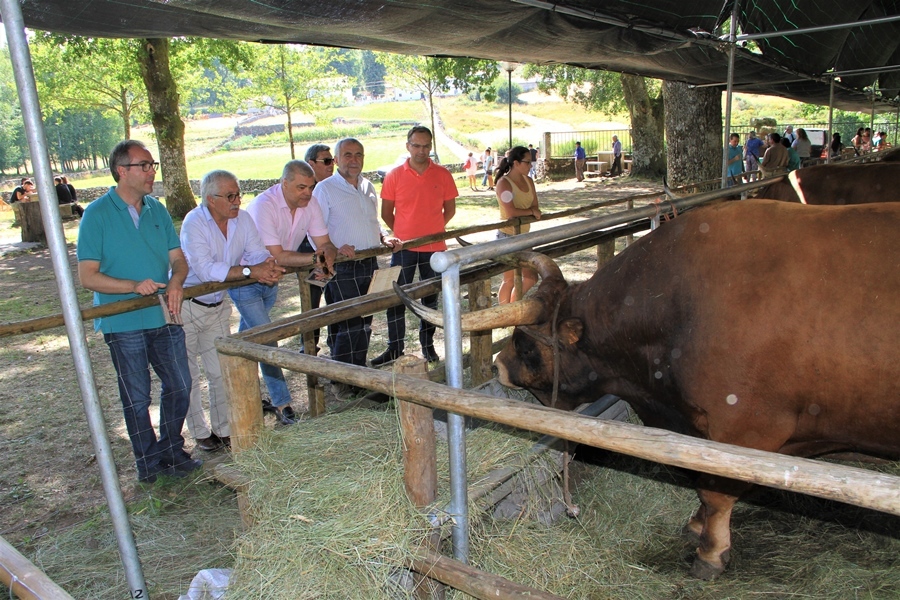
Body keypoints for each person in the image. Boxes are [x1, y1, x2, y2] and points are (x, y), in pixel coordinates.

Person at [76, 139, 198, 484]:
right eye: (143, 166)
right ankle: (147, 461)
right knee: (137, 395)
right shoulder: (97, 215)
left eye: (152, 165)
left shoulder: (157, 210)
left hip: (165, 314)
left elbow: (178, 259)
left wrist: (176, 282)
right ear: (121, 171)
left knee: (181, 383)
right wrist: (132, 286)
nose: (150, 173)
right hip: (123, 320)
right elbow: (88, 277)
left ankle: (173, 449)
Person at [180, 170, 289, 450]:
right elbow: (205, 271)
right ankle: (201, 433)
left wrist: (268, 265)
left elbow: (254, 252)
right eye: (229, 196)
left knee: (219, 371)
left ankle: (224, 429)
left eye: (238, 194)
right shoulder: (194, 223)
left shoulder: (242, 219)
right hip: (187, 306)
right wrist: (254, 270)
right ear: (209, 199)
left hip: (218, 305)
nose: (236, 201)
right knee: (189, 375)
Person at [312, 138, 401, 398]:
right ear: (337, 160)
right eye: (347, 155)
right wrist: (334, 248)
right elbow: (315, 229)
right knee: (348, 321)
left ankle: (358, 374)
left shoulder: (368, 186)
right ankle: (342, 381)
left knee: (364, 320)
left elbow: (370, 220)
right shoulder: (325, 189)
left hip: (369, 262)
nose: (354, 160)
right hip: (341, 266)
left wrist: (383, 236)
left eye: (358, 155)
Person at [372, 125, 458, 367]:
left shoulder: (443, 174)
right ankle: (394, 349)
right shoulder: (394, 175)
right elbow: (386, 212)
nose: (421, 151)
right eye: (416, 145)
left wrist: (433, 230)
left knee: (430, 299)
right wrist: (403, 233)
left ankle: (428, 347)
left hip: (434, 249)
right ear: (407, 146)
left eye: (426, 146)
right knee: (396, 298)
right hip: (403, 249)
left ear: (431, 147)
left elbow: (450, 209)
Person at [246, 160, 346, 361]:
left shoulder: (311, 203)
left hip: (272, 279)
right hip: (246, 279)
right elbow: (277, 255)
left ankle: (240, 367)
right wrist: (317, 258)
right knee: (267, 340)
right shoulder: (264, 205)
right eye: (301, 187)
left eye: (311, 187)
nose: (308, 193)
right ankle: (280, 394)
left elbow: (325, 242)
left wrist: (329, 253)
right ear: (284, 183)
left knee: (249, 337)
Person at [298, 143, 336, 350]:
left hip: (328, 251)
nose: (331, 165)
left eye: (332, 161)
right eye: (326, 161)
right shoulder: (306, 194)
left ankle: (333, 342)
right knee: (311, 300)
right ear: (310, 164)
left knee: (332, 298)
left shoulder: (332, 188)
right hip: (310, 252)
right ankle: (309, 345)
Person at [495, 146, 541, 304]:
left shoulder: (529, 181)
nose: (530, 166)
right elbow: (511, 213)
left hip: (525, 236)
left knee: (531, 277)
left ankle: (513, 308)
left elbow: (536, 207)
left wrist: (531, 211)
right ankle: (504, 313)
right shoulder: (503, 183)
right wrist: (531, 211)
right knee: (509, 280)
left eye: (531, 162)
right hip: (507, 236)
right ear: (516, 163)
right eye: (527, 162)